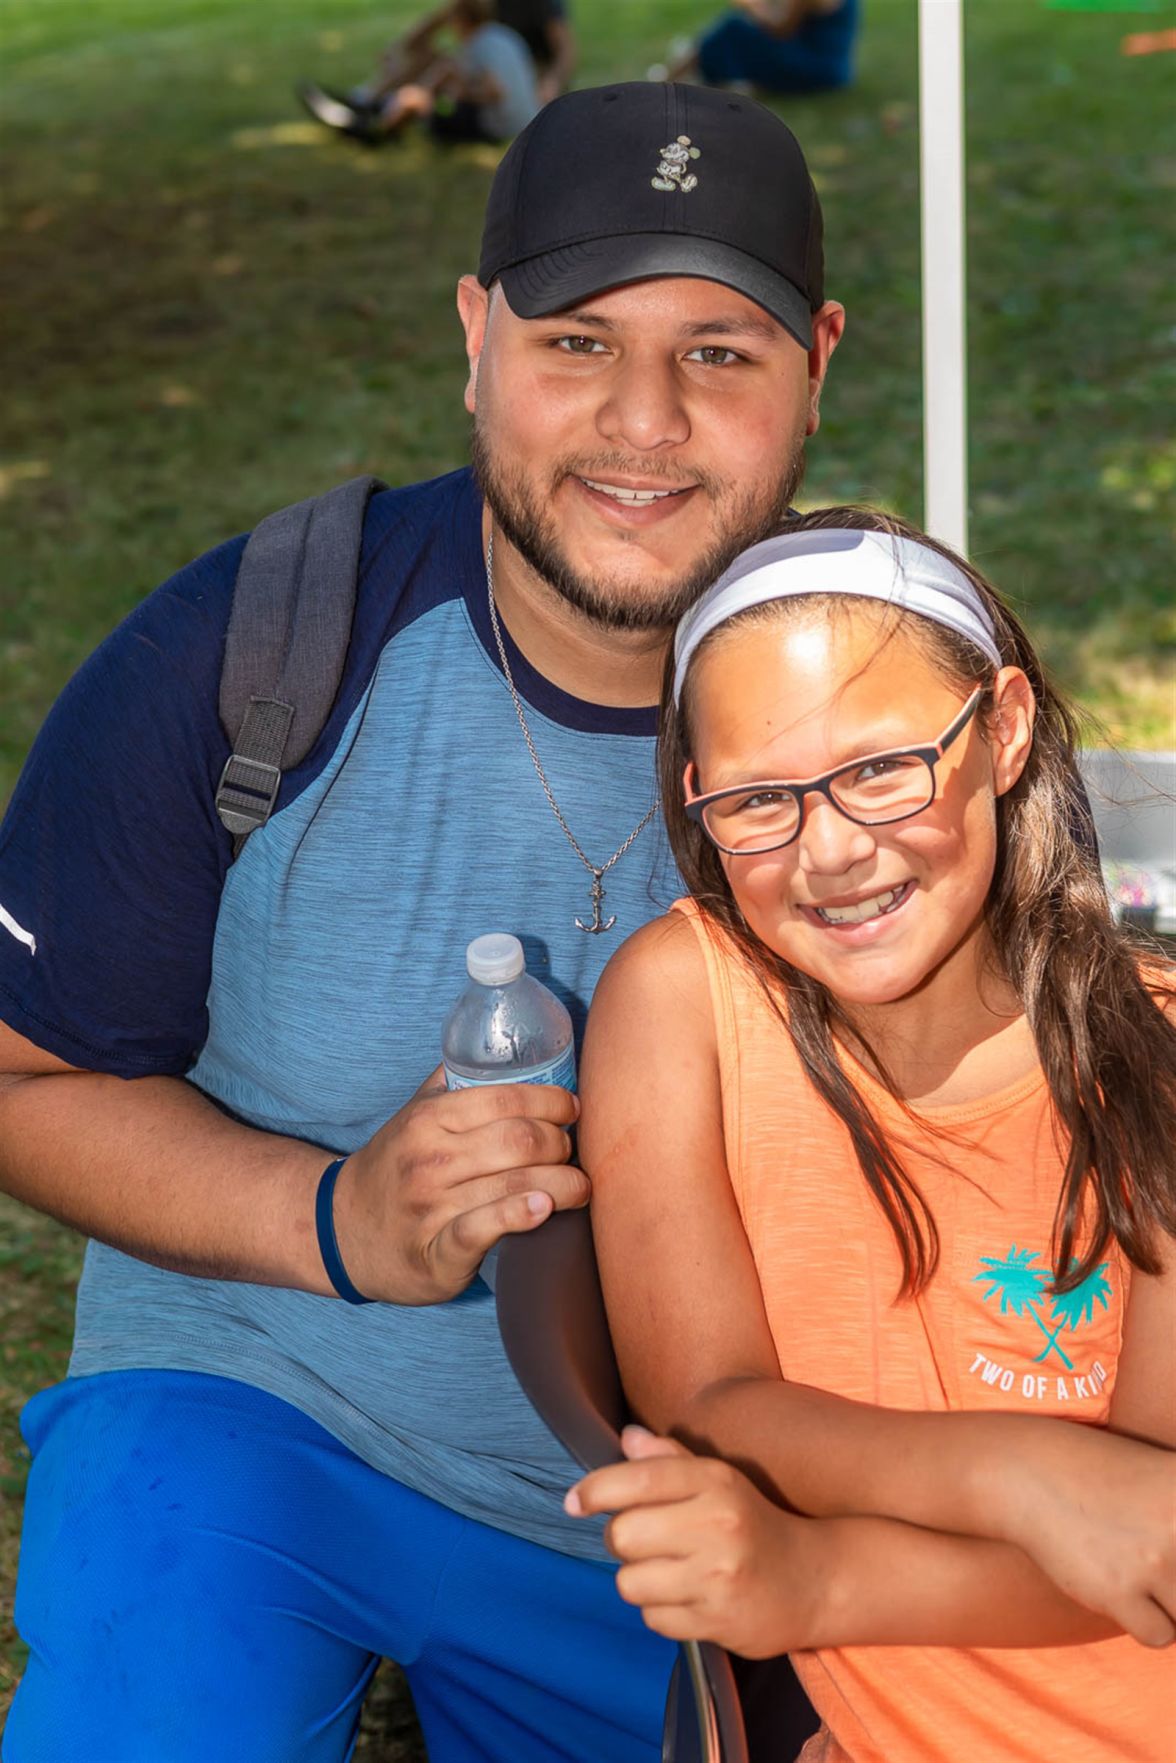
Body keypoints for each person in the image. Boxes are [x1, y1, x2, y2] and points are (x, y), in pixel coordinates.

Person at [0, 83, 843, 1763]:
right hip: (254, 1419)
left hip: (679, 1515)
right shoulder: (257, 645)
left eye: (721, 351)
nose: (646, 422)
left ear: (817, 359)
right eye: (578, 342)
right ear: (476, 337)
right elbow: (24, 1075)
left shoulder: (882, 714)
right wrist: (336, 1217)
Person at [567, 509, 1176, 1760]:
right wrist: (1024, 1473)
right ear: (696, 800)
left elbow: (1152, 1539)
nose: (834, 848)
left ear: (1002, 730)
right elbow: (705, 1405)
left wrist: (820, 1578)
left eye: (885, 767)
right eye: (758, 799)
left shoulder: (1159, 1058)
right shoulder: (683, 1002)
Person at [300, 0, 572, 143]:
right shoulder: (502, 35)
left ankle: (378, 121)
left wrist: (461, 94)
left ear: (460, 21)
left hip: (503, 124)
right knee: (439, 71)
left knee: (435, 86)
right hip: (525, 117)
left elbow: (495, 92)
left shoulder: (479, 43)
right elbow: (420, 39)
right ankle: (370, 106)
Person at [654, 0, 860, 96]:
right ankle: (687, 71)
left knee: (733, 27)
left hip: (814, 70)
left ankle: (669, 79)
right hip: (835, 68)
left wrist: (752, 7)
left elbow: (781, 29)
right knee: (734, 30)